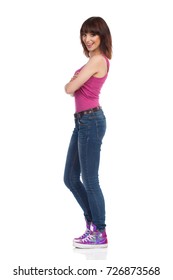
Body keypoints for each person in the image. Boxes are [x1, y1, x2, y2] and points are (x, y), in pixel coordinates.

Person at [64, 16, 112, 249]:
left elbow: (70, 88)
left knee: (90, 180)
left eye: (92, 34)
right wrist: (74, 84)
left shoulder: (97, 60)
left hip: (91, 121)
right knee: (70, 178)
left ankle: (100, 232)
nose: (88, 38)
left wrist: (73, 82)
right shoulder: (91, 61)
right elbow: (72, 90)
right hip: (82, 122)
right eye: (84, 34)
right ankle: (92, 224)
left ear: (102, 35)